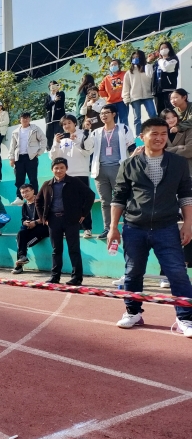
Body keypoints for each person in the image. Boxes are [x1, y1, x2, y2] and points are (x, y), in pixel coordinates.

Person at [108, 117, 192, 337]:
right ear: (142, 136)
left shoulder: (178, 163)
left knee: (177, 274)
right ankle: (133, 312)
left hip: (167, 227)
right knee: (133, 273)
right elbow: (118, 198)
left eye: (164, 134)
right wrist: (113, 227)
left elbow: (185, 196)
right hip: (134, 227)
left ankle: (185, 318)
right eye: (154, 134)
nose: (160, 138)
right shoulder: (128, 164)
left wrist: (188, 224)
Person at [36, 158, 95, 285]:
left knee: (74, 249)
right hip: (53, 221)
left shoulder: (75, 182)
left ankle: (76, 278)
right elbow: (38, 201)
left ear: (66, 168)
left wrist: (83, 213)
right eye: (56, 168)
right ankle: (55, 276)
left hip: (71, 220)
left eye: (62, 167)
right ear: (52, 169)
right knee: (56, 249)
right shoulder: (47, 184)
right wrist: (43, 218)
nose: (59, 170)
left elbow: (90, 195)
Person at [90, 104, 136, 239]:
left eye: (106, 113)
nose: (103, 115)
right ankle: (107, 228)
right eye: (101, 114)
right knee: (105, 201)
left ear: (114, 114)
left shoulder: (123, 128)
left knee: (122, 198)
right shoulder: (96, 132)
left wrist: (133, 161)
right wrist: (86, 131)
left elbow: (131, 146)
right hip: (100, 170)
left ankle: (129, 226)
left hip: (118, 168)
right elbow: (87, 147)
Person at [50, 114, 95, 237]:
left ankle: (87, 228)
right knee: (67, 202)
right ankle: (68, 227)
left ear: (75, 123)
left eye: (69, 123)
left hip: (81, 173)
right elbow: (54, 158)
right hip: (66, 175)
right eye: (64, 124)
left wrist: (75, 141)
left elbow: (88, 151)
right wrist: (56, 143)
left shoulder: (83, 134)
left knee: (84, 202)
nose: (66, 126)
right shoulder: (61, 139)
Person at [8, 112, 47, 205]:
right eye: (23, 118)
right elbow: (12, 145)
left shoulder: (35, 129)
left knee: (33, 178)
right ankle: (19, 197)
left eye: (27, 118)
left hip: (31, 157)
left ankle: (36, 196)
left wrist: (39, 152)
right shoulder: (16, 131)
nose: (25, 120)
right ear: (20, 119)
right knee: (19, 179)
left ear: (29, 119)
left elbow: (43, 139)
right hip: (19, 158)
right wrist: (11, 158)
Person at [12, 184, 49, 274]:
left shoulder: (41, 201)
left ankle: (19, 266)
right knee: (21, 234)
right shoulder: (24, 205)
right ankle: (22, 258)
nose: (25, 194)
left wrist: (35, 222)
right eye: (22, 192)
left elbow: (47, 217)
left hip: (43, 228)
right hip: (30, 228)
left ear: (33, 191)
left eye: (27, 191)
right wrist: (25, 222)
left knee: (21, 243)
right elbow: (23, 219)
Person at [123, 49, 156, 135]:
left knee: (153, 115)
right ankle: (138, 138)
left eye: (137, 57)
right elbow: (126, 86)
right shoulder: (129, 72)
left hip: (148, 95)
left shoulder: (147, 68)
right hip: (135, 97)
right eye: (133, 57)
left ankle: (155, 132)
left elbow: (153, 79)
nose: (135, 58)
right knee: (137, 118)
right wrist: (126, 98)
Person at [150, 41, 179, 114]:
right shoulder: (157, 63)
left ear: (169, 48)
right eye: (161, 48)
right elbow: (149, 74)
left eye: (165, 47)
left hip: (168, 89)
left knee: (170, 111)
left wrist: (160, 59)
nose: (163, 49)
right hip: (157, 91)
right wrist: (148, 62)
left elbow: (166, 67)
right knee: (160, 113)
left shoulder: (173, 59)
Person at [99, 59, 128, 127]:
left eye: (115, 64)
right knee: (112, 121)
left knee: (124, 120)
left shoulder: (125, 74)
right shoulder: (107, 78)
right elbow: (100, 89)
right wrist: (107, 96)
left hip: (122, 101)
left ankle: (125, 135)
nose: (113, 66)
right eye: (111, 65)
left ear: (119, 65)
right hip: (111, 103)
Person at [44, 81, 66, 149]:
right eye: (51, 86)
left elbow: (61, 104)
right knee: (49, 137)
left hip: (58, 119)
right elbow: (46, 106)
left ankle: (62, 149)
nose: (53, 87)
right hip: (49, 120)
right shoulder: (47, 97)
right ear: (49, 87)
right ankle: (49, 150)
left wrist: (57, 92)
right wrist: (54, 101)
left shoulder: (61, 94)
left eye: (54, 85)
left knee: (60, 135)